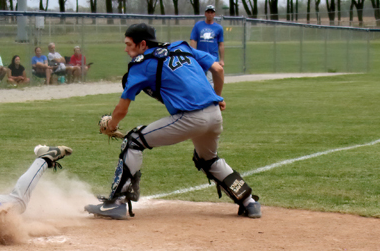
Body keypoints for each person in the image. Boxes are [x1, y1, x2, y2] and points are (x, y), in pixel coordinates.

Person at [84, 23, 261, 220]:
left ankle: (116, 203)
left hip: (191, 117)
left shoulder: (141, 63)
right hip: (214, 115)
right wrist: (216, 97)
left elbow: (122, 108)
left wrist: (112, 126)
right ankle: (249, 202)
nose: (125, 49)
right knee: (209, 160)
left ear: (142, 44)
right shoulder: (180, 47)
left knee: (133, 141)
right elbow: (218, 69)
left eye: (128, 44)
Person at [190, 5, 225, 82]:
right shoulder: (198, 25)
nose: (210, 14)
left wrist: (222, 60)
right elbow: (193, 40)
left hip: (213, 58)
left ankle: (210, 93)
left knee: (210, 80)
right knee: (200, 79)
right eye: (208, 12)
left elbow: (221, 44)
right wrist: (192, 55)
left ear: (214, 14)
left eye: (212, 12)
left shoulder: (218, 28)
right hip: (200, 57)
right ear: (205, 14)